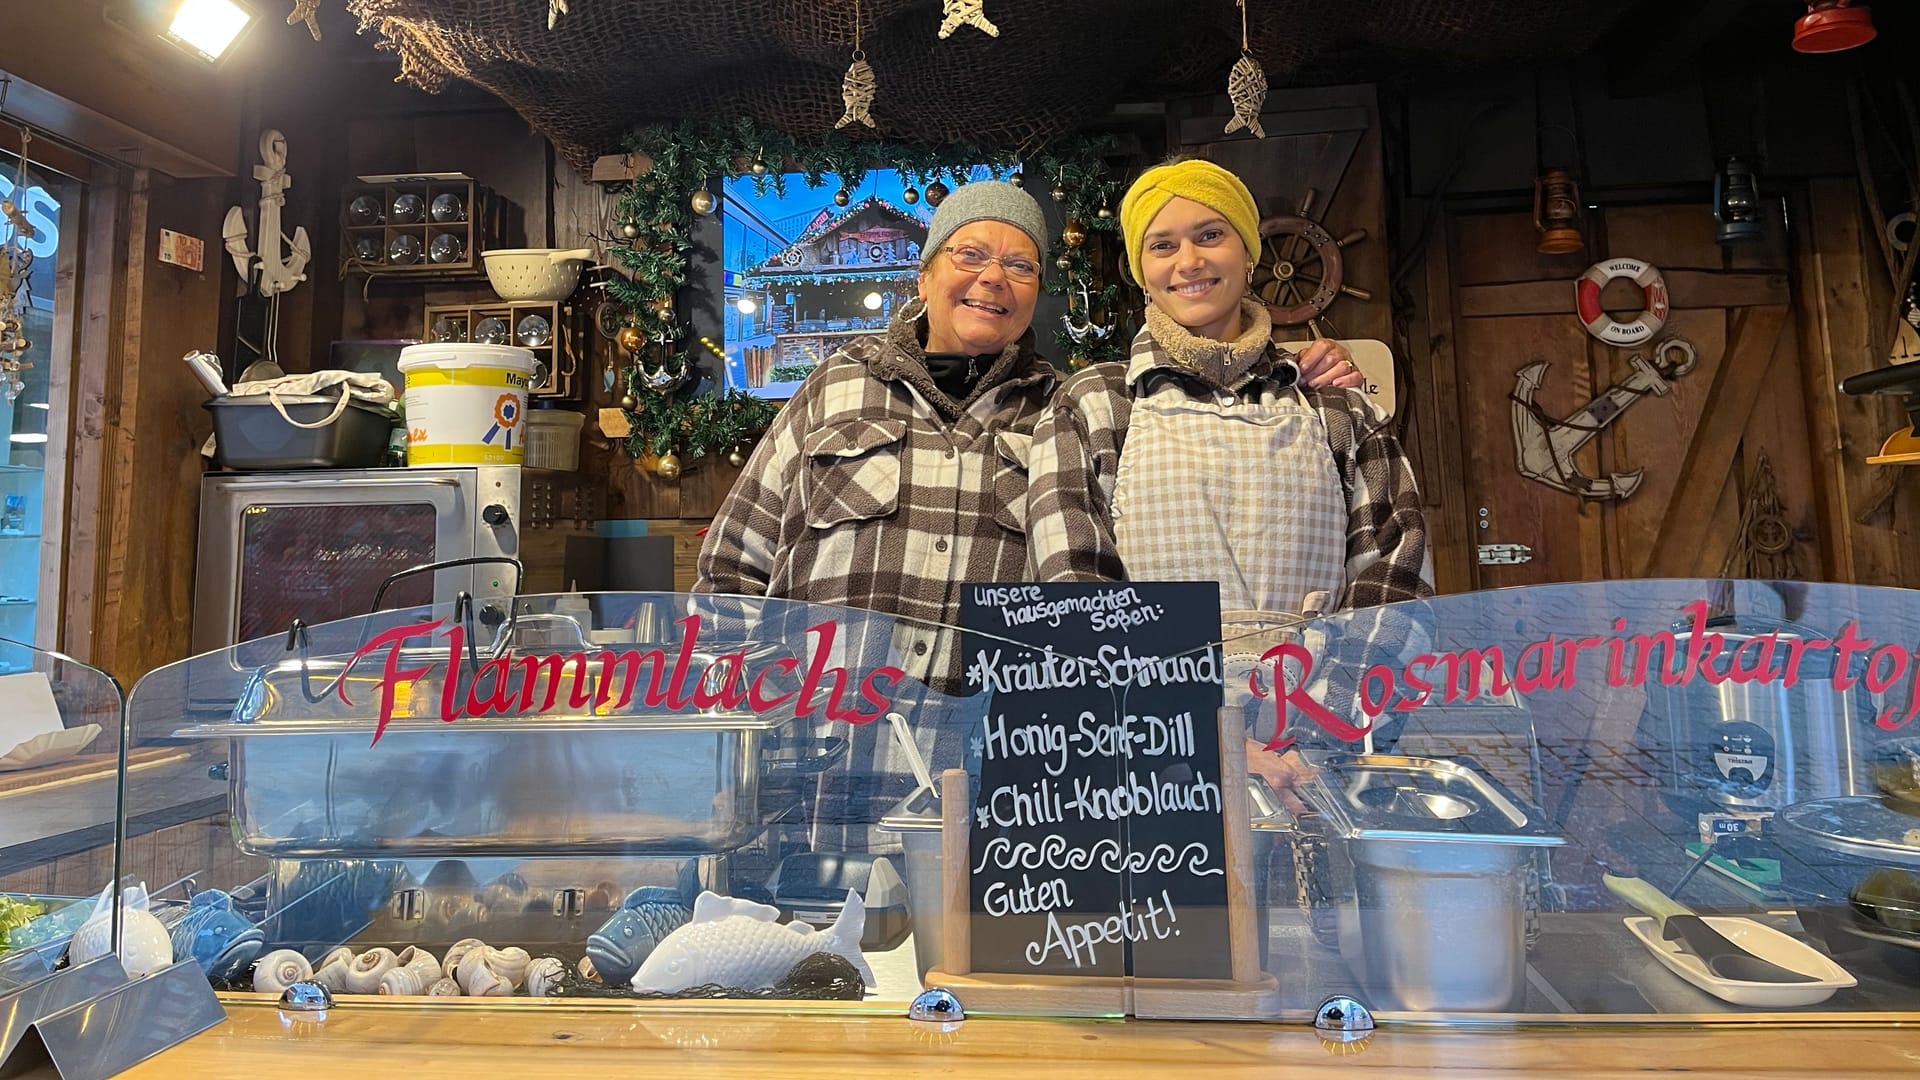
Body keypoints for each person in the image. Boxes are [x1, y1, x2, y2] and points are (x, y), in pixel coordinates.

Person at [695, 177, 1363, 628]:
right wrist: (731, 713)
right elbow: (731, 568)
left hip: (996, 770)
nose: (993, 278)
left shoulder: (1068, 411)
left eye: (1020, 267)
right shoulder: (834, 387)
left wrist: (1290, 366)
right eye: (970, 255)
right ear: (925, 275)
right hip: (819, 755)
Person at [1023, 158, 1434, 808]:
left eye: (1210, 235)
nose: (1188, 260)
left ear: (1249, 255)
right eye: (1163, 245)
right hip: (1153, 770)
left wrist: (1299, 736)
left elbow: (1398, 580)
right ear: (1143, 275)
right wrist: (1204, 742)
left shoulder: (1339, 408)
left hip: (1318, 771)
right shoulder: (1091, 406)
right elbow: (1074, 598)